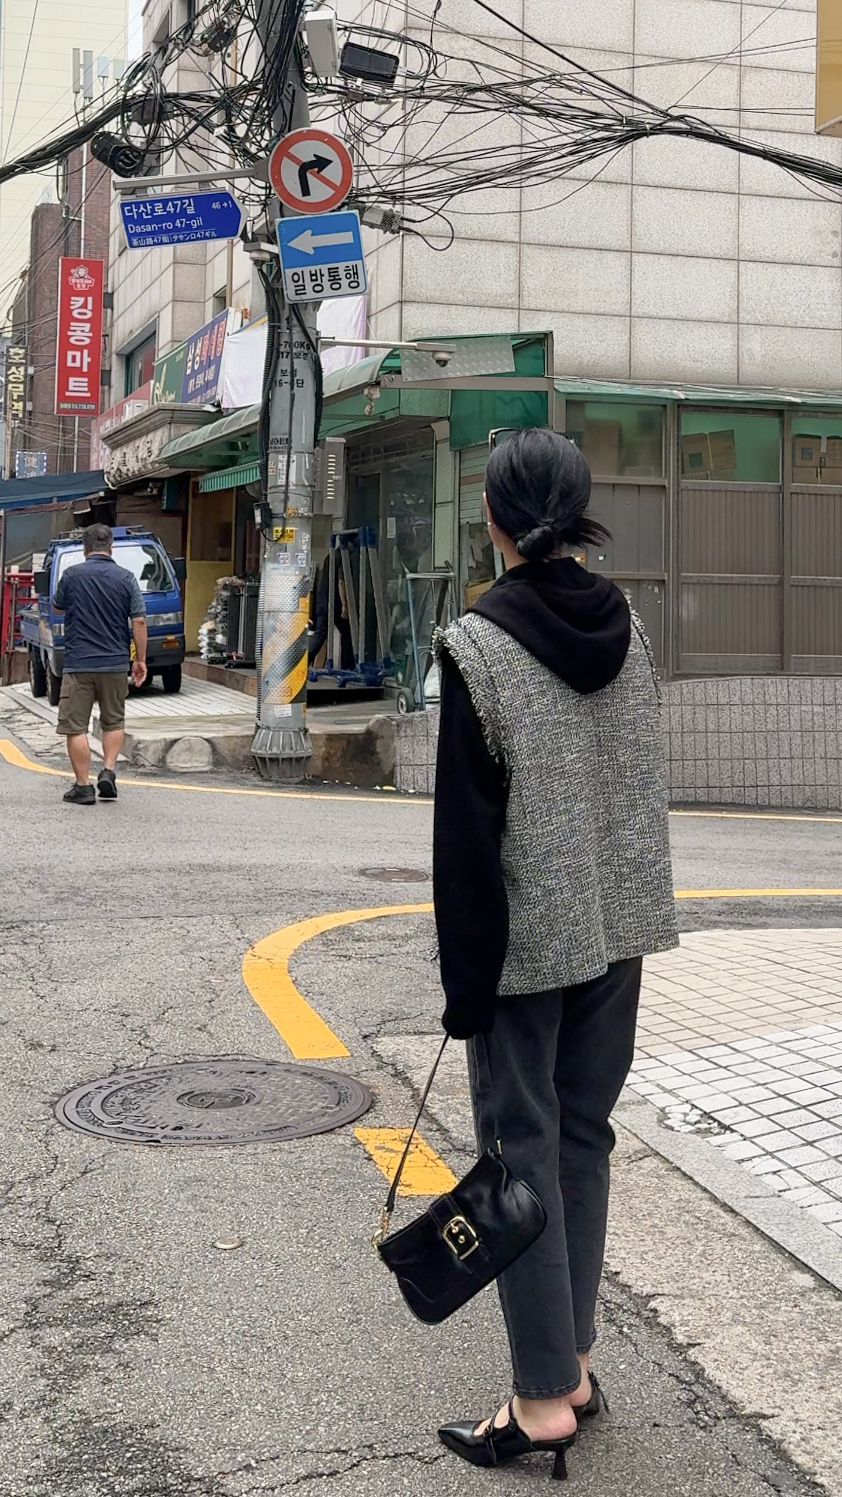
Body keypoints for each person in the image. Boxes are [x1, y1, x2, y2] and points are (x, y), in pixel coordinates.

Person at [433, 428, 678, 1481]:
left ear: (492, 516)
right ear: (577, 514)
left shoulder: (476, 645)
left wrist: (464, 990)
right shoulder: (629, 622)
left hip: (524, 948)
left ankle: (539, 1403)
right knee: (582, 1138)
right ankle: (569, 1363)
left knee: (518, 1153)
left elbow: (464, 844)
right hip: (619, 926)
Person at [53, 523, 148, 806]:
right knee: (114, 720)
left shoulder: (72, 575)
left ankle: (83, 787)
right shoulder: (126, 578)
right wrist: (140, 660)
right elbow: (139, 621)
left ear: (85, 549)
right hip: (115, 663)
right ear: (111, 548)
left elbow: (57, 606)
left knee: (75, 727)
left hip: (79, 663)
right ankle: (108, 770)